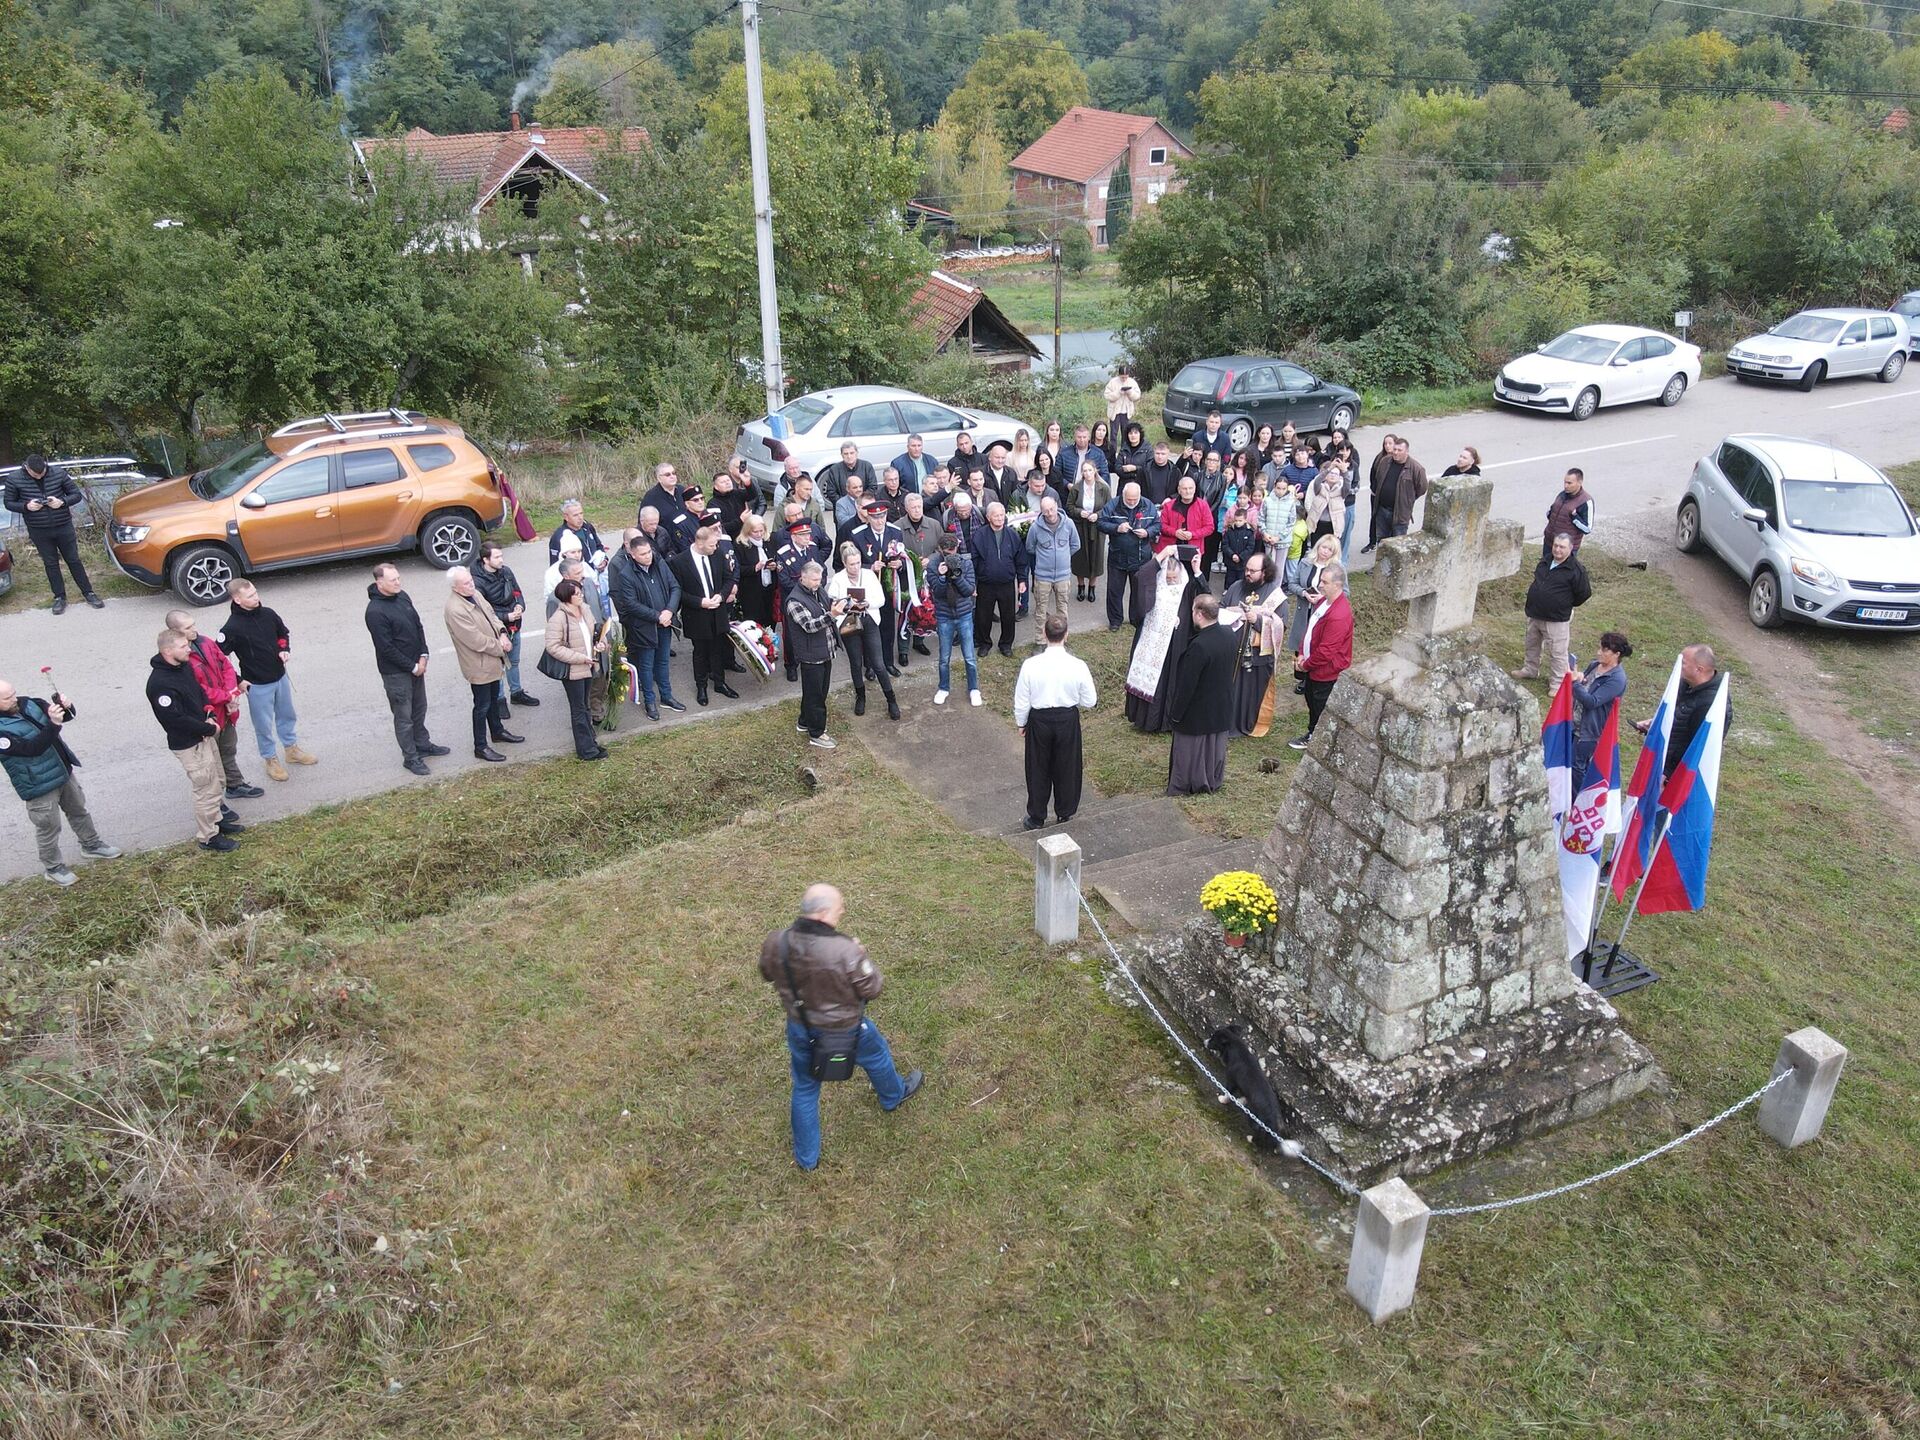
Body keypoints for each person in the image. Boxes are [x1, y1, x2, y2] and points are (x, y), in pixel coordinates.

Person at [759, 883, 924, 1172]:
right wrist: (862, 956)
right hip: (846, 1030)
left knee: (805, 1087)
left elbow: (766, 973)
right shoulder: (844, 949)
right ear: (823, 913)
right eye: (839, 907)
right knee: (877, 1055)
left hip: (799, 1028)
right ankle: (892, 1096)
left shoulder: (777, 941)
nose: (843, 911)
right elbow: (873, 988)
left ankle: (807, 1159)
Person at [0, 676, 119, 884]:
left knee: (79, 810)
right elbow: (31, 749)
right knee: (48, 827)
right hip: (37, 784)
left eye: (13, 693)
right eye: (7, 698)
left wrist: (66, 708)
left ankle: (91, 845)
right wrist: (54, 725)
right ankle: (53, 867)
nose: (14, 699)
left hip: (63, 771)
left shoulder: (31, 702)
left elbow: (62, 717)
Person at [147, 629, 240, 852]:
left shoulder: (183, 666)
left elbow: (199, 693)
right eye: (183, 646)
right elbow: (175, 720)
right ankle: (208, 837)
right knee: (205, 789)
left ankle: (217, 821)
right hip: (190, 744)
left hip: (205, 734)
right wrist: (207, 728)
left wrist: (208, 711)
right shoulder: (159, 684)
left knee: (217, 780)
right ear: (167, 651)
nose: (189, 648)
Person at [220, 580, 316, 782]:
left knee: (287, 715)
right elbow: (220, 660)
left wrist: (284, 649)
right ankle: (270, 759)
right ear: (237, 599)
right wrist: (238, 680)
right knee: (263, 725)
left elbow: (283, 634)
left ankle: (291, 749)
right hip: (257, 684)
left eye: (255, 593)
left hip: (280, 677)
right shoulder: (231, 628)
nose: (256, 598)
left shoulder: (269, 614)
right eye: (250, 596)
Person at [1014, 612, 1098, 828]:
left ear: (1044, 633)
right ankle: (1065, 812)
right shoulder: (1078, 665)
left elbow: (1022, 699)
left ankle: (1036, 816)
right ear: (1066, 635)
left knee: (1037, 768)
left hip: (1039, 720)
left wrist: (1021, 723)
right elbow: (1090, 700)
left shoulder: (1031, 665)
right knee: (1067, 767)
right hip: (1067, 719)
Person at [167, 610, 261, 802]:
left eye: (193, 624)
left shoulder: (206, 642)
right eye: (188, 627)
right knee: (210, 761)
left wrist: (231, 693)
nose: (194, 629)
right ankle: (216, 803)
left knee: (228, 748)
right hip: (208, 714)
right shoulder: (181, 659)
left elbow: (225, 665)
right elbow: (197, 690)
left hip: (226, 708)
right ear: (175, 632)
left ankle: (235, 784)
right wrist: (226, 697)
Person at [365, 563, 446, 775]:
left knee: (420, 708)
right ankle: (410, 758)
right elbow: (386, 648)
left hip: (417, 665)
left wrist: (424, 654)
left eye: (398, 578)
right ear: (379, 582)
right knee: (404, 717)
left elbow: (417, 626)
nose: (398, 583)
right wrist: (412, 666)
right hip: (397, 673)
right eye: (393, 580)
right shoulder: (375, 611)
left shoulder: (402, 596)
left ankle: (423, 744)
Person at [3, 455, 103, 613]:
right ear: (27, 468)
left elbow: (76, 495)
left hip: (63, 525)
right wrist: (26, 506)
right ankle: (59, 597)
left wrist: (62, 502)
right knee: (50, 564)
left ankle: (89, 593)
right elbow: (8, 503)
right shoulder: (14, 478)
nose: (40, 476)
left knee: (74, 560)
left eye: (42, 472)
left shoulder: (58, 473)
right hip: (38, 529)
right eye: (36, 475)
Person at [443, 566, 523, 762]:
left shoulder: (475, 594)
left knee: (493, 699)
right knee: (482, 705)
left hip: (492, 658)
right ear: (455, 588)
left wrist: (503, 632)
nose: (472, 585)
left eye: (471, 580)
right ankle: (480, 746)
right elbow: (474, 640)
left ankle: (497, 731)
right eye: (466, 583)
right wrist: (501, 647)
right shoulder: (455, 609)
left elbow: (492, 616)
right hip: (478, 664)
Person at [1125, 545, 1207, 733]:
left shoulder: (1188, 587)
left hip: (1175, 647)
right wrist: (1161, 555)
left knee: (1170, 684)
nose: (1171, 582)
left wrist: (1197, 571)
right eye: (1168, 578)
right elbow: (1140, 577)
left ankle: (1166, 721)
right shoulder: (1156, 587)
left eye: (1174, 579)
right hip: (1153, 643)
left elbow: (1206, 597)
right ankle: (1146, 720)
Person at [1167, 595, 1238, 796]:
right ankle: (1211, 778)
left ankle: (1190, 782)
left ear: (1199, 614)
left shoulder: (1199, 646)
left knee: (1191, 752)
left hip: (1198, 711)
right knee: (1213, 749)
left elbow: (1186, 685)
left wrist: (1176, 713)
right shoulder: (1229, 634)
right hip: (1221, 705)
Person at [611, 529, 683, 720]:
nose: (648, 556)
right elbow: (631, 604)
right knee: (646, 666)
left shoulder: (659, 563)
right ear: (632, 555)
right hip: (645, 629)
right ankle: (649, 702)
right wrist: (657, 616)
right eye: (643, 554)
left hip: (665, 624)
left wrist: (669, 611)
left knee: (663, 662)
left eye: (649, 552)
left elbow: (675, 587)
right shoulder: (626, 574)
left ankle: (666, 697)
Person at [826, 542, 901, 721]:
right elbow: (832, 601)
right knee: (855, 662)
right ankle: (861, 696)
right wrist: (845, 606)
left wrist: (867, 603)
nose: (856, 567)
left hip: (869, 620)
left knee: (878, 663)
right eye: (852, 564)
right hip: (849, 622)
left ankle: (891, 699)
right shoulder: (838, 578)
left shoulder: (868, 575)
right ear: (844, 564)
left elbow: (881, 599)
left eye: (858, 563)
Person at [671, 520, 740, 706]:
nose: (716, 547)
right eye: (712, 544)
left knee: (718, 648)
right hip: (696, 614)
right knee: (700, 652)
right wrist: (699, 602)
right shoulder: (679, 562)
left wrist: (721, 595)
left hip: (718, 610)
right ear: (699, 543)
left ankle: (720, 682)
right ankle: (701, 686)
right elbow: (677, 591)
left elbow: (728, 578)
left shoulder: (716, 555)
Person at [1637, 643, 1732, 777]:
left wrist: (1668, 777)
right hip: (1660, 762)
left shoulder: (1710, 705)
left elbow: (1697, 749)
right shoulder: (1686, 682)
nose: (1678, 666)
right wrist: (1657, 724)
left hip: (1675, 776)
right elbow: (1681, 714)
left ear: (1699, 669)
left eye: (1683, 663)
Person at [1513, 532, 1591, 691]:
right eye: (1555, 545)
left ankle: (1557, 684)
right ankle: (1530, 669)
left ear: (1570, 548)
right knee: (1532, 644)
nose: (1557, 550)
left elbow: (1583, 593)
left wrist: (1563, 604)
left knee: (1557, 652)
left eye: (1562, 547)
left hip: (1556, 619)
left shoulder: (1576, 570)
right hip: (1535, 613)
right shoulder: (1546, 560)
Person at [544, 578, 609, 761]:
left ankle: (591, 743)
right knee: (579, 709)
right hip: (574, 670)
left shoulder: (585, 610)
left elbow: (596, 632)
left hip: (588, 666)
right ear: (566, 598)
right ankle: (586, 750)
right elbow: (553, 646)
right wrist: (580, 658)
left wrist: (600, 644)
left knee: (585, 707)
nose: (581, 596)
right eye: (577, 594)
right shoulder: (559, 618)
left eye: (581, 592)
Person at [1289, 564, 1352, 750]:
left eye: (1325, 582)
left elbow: (1327, 651)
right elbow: (1309, 629)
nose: (1320, 585)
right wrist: (1301, 652)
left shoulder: (1339, 614)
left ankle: (1318, 739)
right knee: (1310, 698)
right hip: (1312, 664)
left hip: (1325, 670)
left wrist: (1306, 665)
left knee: (1320, 705)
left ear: (1338, 585)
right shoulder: (1323, 602)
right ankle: (1314, 732)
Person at [841, 499, 909, 673]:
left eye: (882, 516)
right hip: (867, 589)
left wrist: (899, 564)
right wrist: (869, 567)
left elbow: (901, 555)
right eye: (875, 517)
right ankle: (870, 665)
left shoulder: (895, 532)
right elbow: (850, 562)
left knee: (887, 626)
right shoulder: (858, 534)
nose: (880, 521)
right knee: (868, 627)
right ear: (868, 518)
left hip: (887, 588)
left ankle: (887, 662)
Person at [1223, 553, 1286, 736]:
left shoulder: (1276, 596)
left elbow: (1280, 626)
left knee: (1246, 694)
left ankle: (1242, 725)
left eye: (1252, 571)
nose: (1247, 574)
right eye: (1247, 569)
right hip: (1231, 650)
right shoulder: (1236, 587)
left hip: (1257, 658)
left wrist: (1257, 620)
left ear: (1265, 573)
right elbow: (1222, 607)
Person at [474, 540, 539, 711]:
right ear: (485, 560)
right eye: (497, 557)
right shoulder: (477, 582)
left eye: (501, 555)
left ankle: (516, 692)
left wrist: (519, 606)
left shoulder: (506, 571)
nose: (501, 560)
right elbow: (483, 611)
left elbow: (517, 592)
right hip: (496, 631)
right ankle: (499, 700)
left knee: (514, 661)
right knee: (499, 666)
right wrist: (506, 616)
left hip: (514, 626)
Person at [785, 560, 843, 747]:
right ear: (802, 578)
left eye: (820, 579)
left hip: (824, 652)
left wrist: (844, 604)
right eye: (814, 579)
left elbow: (828, 604)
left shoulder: (817, 591)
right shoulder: (794, 601)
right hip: (811, 656)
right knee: (816, 696)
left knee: (815, 692)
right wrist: (832, 615)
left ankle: (804, 722)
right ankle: (817, 734)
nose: (818, 583)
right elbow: (809, 626)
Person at [773, 515, 831, 682]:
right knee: (791, 635)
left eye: (808, 534)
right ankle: (791, 664)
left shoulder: (812, 549)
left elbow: (823, 570)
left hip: (815, 597)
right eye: (804, 535)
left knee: (815, 628)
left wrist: (818, 585)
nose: (808, 538)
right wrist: (806, 589)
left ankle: (811, 657)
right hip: (794, 600)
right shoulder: (783, 554)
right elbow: (784, 580)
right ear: (794, 536)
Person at [1098, 481, 1161, 631]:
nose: (1132, 502)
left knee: (1139, 592)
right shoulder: (1113, 505)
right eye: (1129, 499)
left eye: (1135, 499)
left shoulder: (1148, 505)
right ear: (1123, 495)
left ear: (1140, 496)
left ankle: (1136, 619)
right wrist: (1116, 528)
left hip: (1141, 557)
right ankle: (1115, 620)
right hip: (1117, 556)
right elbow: (1100, 523)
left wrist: (1147, 533)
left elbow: (1157, 524)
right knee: (1114, 591)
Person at [1572, 631, 1632, 789]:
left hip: (1588, 732)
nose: (1599, 652)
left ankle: (1576, 803)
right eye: (1600, 648)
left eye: (1605, 650)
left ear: (1617, 654)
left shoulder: (1617, 679)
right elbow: (1585, 684)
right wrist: (1580, 678)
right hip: (1574, 722)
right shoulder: (1594, 665)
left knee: (1577, 768)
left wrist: (1575, 684)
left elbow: (1592, 701)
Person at [970, 502, 1028, 658]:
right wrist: (973, 584)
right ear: (989, 517)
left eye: (1002, 515)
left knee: (1008, 616)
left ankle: (1006, 644)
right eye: (996, 515)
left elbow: (1021, 559)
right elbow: (974, 561)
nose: (1000, 518)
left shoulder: (1012, 535)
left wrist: (1022, 580)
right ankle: (984, 643)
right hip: (985, 585)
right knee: (983, 616)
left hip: (1007, 584)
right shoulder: (979, 535)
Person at [929, 534, 980, 707]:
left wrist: (957, 575)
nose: (950, 556)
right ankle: (943, 688)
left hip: (964, 614)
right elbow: (937, 592)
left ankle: (974, 689)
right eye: (946, 553)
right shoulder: (934, 564)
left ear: (957, 548)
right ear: (940, 550)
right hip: (944, 616)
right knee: (944, 657)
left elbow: (968, 590)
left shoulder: (966, 563)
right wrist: (942, 576)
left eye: (953, 552)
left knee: (969, 656)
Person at [1024, 493, 1079, 646]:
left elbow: (1075, 544)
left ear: (1057, 506)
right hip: (1042, 576)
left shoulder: (1069, 524)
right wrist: (1045, 558)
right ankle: (1040, 641)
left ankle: (1063, 639)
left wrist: (1064, 557)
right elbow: (1030, 547)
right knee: (1041, 611)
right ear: (1041, 511)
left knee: (1063, 609)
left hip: (1063, 576)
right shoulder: (1035, 528)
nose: (1049, 513)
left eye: (1052, 509)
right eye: (1046, 510)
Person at [1286, 535, 1342, 652]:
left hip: (1323, 614)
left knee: (1316, 648)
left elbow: (1344, 592)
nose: (1325, 551)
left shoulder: (1337, 569)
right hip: (1304, 613)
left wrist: (1324, 597)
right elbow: (1292, 584)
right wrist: (1303, 593)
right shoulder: (1305, 562)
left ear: (1334, 553)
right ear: (1318, 547)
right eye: (1324, 547)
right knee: (1300, 650)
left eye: (1330, 550)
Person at [1371, 436, 1428, 546]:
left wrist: (1407, 499)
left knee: (1398, 545)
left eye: (1399, 450)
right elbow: (1378, 477)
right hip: (1382, 510)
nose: (1395, 452)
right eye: (1394, 449)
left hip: (1400, 514)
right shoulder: (1385, 461)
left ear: (1407, 451)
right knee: (1382, 542)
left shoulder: (1416, 469)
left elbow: (1422, 488)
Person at [1067, 459, 1110, 604]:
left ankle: (1092, 587)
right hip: (1080, 527)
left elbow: (1109, 508)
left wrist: (1097, 515)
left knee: (1095, 557)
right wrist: (1080, 512)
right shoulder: (1076, 488)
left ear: (1095, 470)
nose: (1087, 473)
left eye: (1090, 470)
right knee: (1080, 557)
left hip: (1097, 528)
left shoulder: (1103, 488)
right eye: (1084, 471)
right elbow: (1069, 507)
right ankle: (1080, 586)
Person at [734, 512, 779, 627]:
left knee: (770, 621)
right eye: (755, 532)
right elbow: (737, 569)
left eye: (761, 531)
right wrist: (755, 568)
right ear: (748, 531)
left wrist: (774, 565)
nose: (759, 534)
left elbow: (778, 557)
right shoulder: (740, 545)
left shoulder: (770, 540)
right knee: (755, 624)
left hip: (769, 590)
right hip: (751, 593)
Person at [1156, 474, 1215, 559]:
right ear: (1179, 490)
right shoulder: (1168, 506)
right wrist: (1175, 532)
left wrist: (1192, 534)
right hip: (1171, 549)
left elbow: (1209, 527)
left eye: (1190, 488)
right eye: (1184, 489)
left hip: (1193, 549)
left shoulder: (1203, 505)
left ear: (1195, 489)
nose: (1188, 491)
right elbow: (1161, 525)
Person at [548, 498, 610, 579]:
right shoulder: (559, 537)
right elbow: (556, 565)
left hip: (598, 575)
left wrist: (604, 560)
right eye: (575, 515)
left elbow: (599, 545)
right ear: (566, 517)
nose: (580, 517)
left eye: (581, 513)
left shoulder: (587, 526)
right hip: (579, 579)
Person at [1544, 467, 1595, 556]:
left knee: (1561, 570)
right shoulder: (1562, 494)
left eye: (1569, 483)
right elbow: (1552, 513)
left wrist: (1575, 517)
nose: (1565, 486)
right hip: (1550, 542)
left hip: (1566, 548)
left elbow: (1587, 529)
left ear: (1579, 482)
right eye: (1565, 482)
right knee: (1544, 569)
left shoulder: (1586, 501)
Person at [1218, 502, 1262, 593]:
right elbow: (1225, 545)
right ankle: (1228, 590)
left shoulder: (1249, 532)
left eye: (1240, 521)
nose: (1238, 523)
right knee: (1230, 576)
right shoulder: (1229, 531)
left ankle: (1241, 591)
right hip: (1230, 560)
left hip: (1243, 562)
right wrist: (1232, 555)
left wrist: (1241, 556)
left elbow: (1250, 547)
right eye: (1236, 520)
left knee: (1241, 578)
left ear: (1245, 520)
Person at [816, 441, 877, 507]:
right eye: (846, 453)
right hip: (843, 508)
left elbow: (873, 487)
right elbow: (831, 492)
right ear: (842, 455)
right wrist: (845, 504)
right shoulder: (834, 470)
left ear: (856, 453)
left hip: (864, 506)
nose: (849, 456)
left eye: (851, 453)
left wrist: (861, 502)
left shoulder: (867, 466)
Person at [1304, 465, 1346, 547]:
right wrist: (1329, 468)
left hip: (1333, 525)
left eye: (1336, 474)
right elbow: (1317, 481)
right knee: (1316, 548)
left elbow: (1347, 484)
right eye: (1330, 473)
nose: (1333, 475)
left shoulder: (1342, 490)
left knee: (1331, 550)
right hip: (1317, 523)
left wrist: (1344, 471)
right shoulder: (1318, 487)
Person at [1059, 424, 1107, 491]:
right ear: (1074, 437)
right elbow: (1057, 474)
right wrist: (1067, 484)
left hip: (1091, 492)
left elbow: (1105, 474)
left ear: (1089, 437)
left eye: (1084, 437)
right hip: (1069, 492)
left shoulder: (1098, 454)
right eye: (1079, 437)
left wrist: (1096, 485)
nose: (1082, 440)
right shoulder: (1064, 453)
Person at [1111, 420, 1151, 497]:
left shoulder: (1147, 449)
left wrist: (1134, 468)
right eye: (1130, 433)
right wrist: (1133, 474)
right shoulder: (1124, 448)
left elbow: (1149, 469)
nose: (1133, 435)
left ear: (1140, 434)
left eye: (1136, 433)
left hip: (1142, 487)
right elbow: (1117, 468)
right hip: (1124, 486)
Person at [1104, 364, 1142, 428]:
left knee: (1125, 431)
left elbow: (1137, 395)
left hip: (1126, 411)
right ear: (1119, 375)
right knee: (1114, 432)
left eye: (1126, 377)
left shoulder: (1132, 382)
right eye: (1122, 377)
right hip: (1114, 411)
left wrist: (1130, 393)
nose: (1124, 379)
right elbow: (1106, 395)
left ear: (1128, 375)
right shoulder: (1112, 382)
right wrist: (1118, 393)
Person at [1143, 439, 1179, 506]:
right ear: (1154, 453)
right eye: (1157, 453)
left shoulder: (1175, 471)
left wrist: (1171, 498)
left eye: (1163, 454)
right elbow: (1138, 488)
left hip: (1168, 507)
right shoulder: (1145, 470)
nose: (1160, 457)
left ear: (1168, 454)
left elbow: (1181, 491)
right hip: (1148, 507)